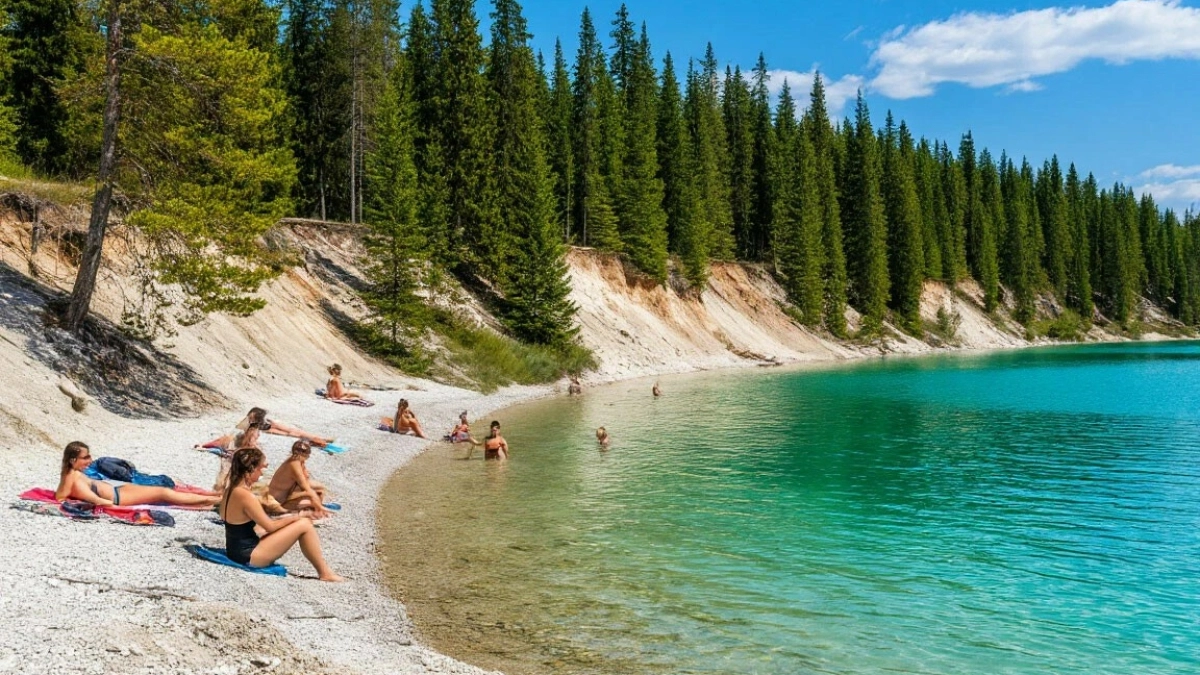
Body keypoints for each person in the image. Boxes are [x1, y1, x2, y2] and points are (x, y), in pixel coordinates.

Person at [219, 447, 343, 581]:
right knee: (305, 524)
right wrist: (298, 516)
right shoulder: (245, 495)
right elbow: (270, 527)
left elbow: (243, 525)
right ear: (251, 469)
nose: (261, 473)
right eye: (260, 469)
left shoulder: (231, 489)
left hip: (235, 550)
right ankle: (325, 573)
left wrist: (290, 518)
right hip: (249, 555)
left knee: (295, 522)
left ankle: (325, 572)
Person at [56, 442, 220, 508]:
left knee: (164, 492)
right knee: (164, 493)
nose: (90, 460)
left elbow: (60, 496)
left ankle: (217, 498)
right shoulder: (75, 480)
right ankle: (215, 500)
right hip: (118, 496)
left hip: (118, 489)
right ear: (72, 460)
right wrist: (117, 510)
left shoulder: (70, 474)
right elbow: (99, 501)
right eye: (85, 458)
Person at [266, 441, 329, 518]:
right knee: (313, 493)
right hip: (277, 503)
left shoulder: (296, 460)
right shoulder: (294, 465)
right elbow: (307, 489)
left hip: (281, 496)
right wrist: (321, 507)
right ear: (306, 455)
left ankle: (315, 507)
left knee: (319, 488)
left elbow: (306, 477)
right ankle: (317, 510)